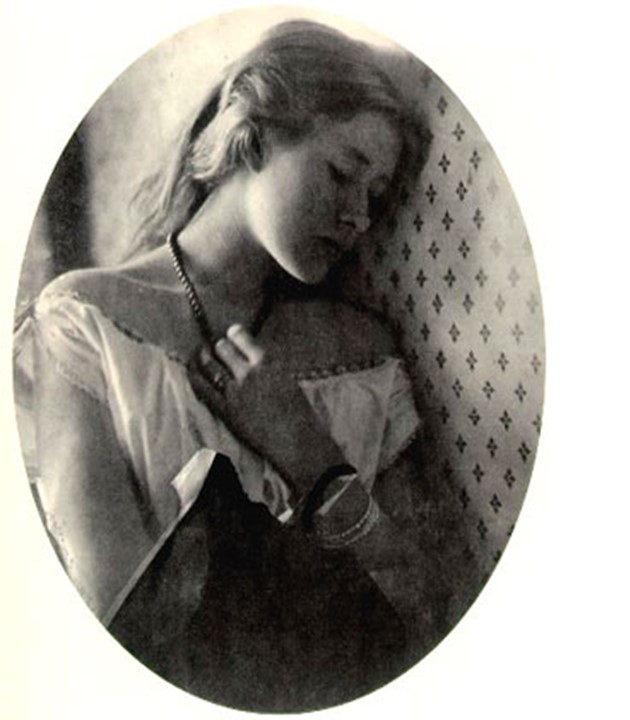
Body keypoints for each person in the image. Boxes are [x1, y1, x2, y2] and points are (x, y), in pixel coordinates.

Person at [13, 19, 451, 711]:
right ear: (254, 132)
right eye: (342, 173)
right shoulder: (82, 321)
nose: (359, 218)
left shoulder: (364, 356)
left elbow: (431, 608)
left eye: (375, 197)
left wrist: (315, 461)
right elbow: (119, 619)